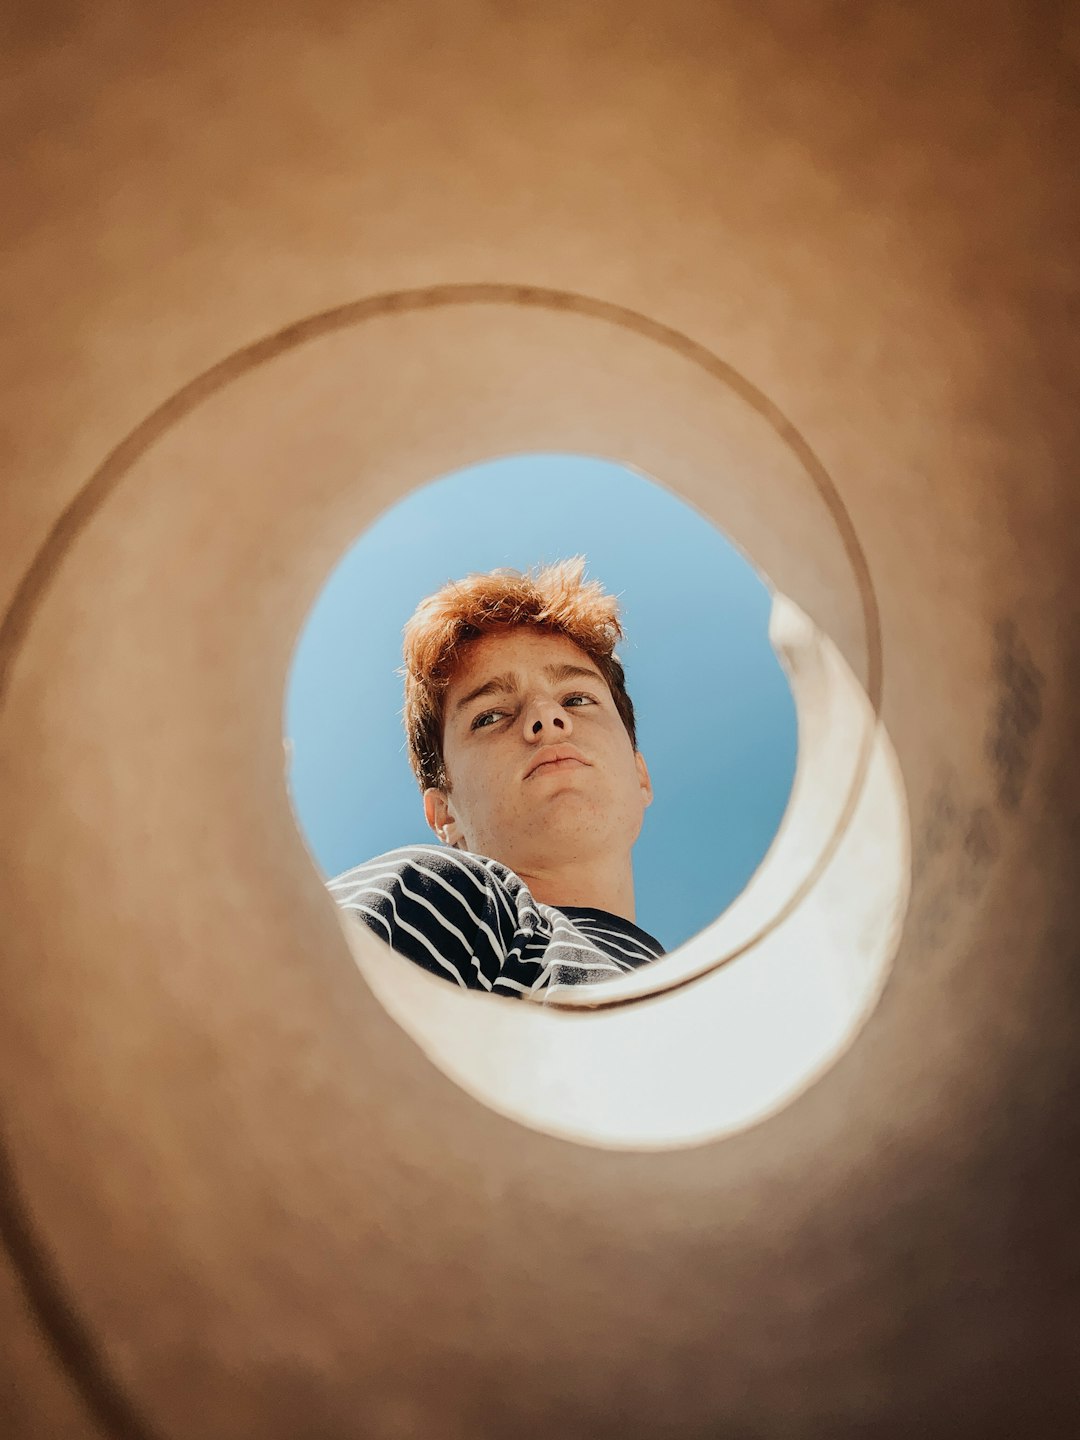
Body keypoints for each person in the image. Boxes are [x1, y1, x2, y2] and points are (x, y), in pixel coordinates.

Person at [328, 557, 664, 999]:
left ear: (640, 775)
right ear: (445, 813)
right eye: (490, 716)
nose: (547, 717)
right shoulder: (428, 894)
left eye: (578, 698)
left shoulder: (720, 998)